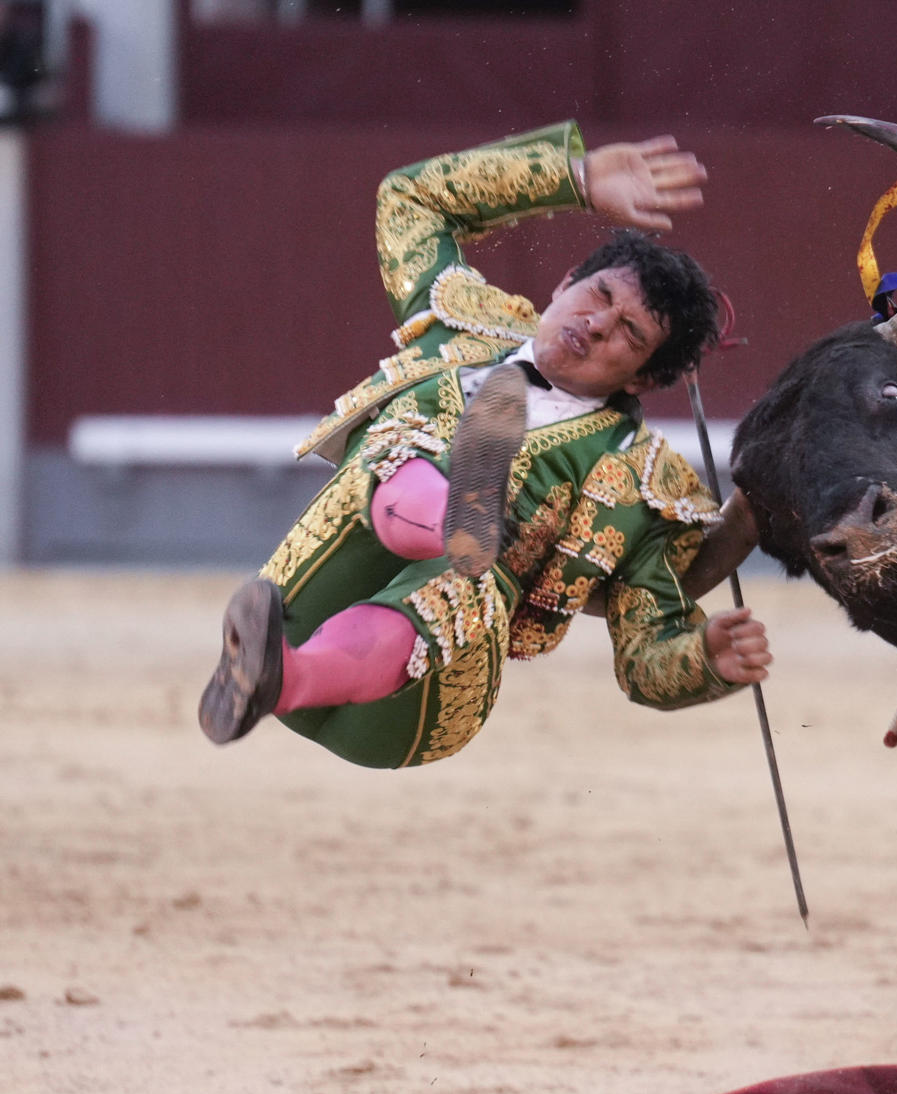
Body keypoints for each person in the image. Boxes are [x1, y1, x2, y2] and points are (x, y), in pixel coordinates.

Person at [198, 121, 769, 769]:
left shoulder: (642, 483)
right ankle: (297, 662)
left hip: (411, 709)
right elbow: (410, 198)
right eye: (599, 294)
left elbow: (646, 653)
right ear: (561, 285)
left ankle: (449, 539)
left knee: (471, 575)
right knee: (410, 439)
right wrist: (572, 178)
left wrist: (704, 662)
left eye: (629, 334)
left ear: (641, 378)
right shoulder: (462, 319)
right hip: (300, 611)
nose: (597, 323)